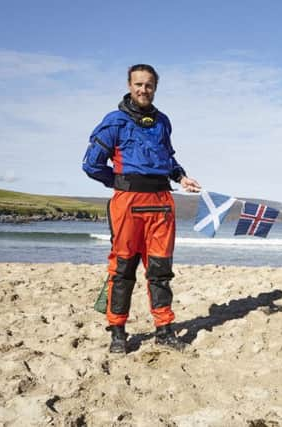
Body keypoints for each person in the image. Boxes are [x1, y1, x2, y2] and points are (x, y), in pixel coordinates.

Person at [82, 64, 201, 353]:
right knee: (123, 269)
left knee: (160, 271)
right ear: (129, 85)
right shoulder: (114, 122)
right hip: (128, 204)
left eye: (148, 85)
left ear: (155, 88)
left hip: (162, 203)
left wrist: (182, 177)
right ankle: (118, 333)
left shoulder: (163, 122)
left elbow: (168, 158)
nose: (143, 90)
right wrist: (121, 182)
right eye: (138, 84)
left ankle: (164, 330)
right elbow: (91, 164)